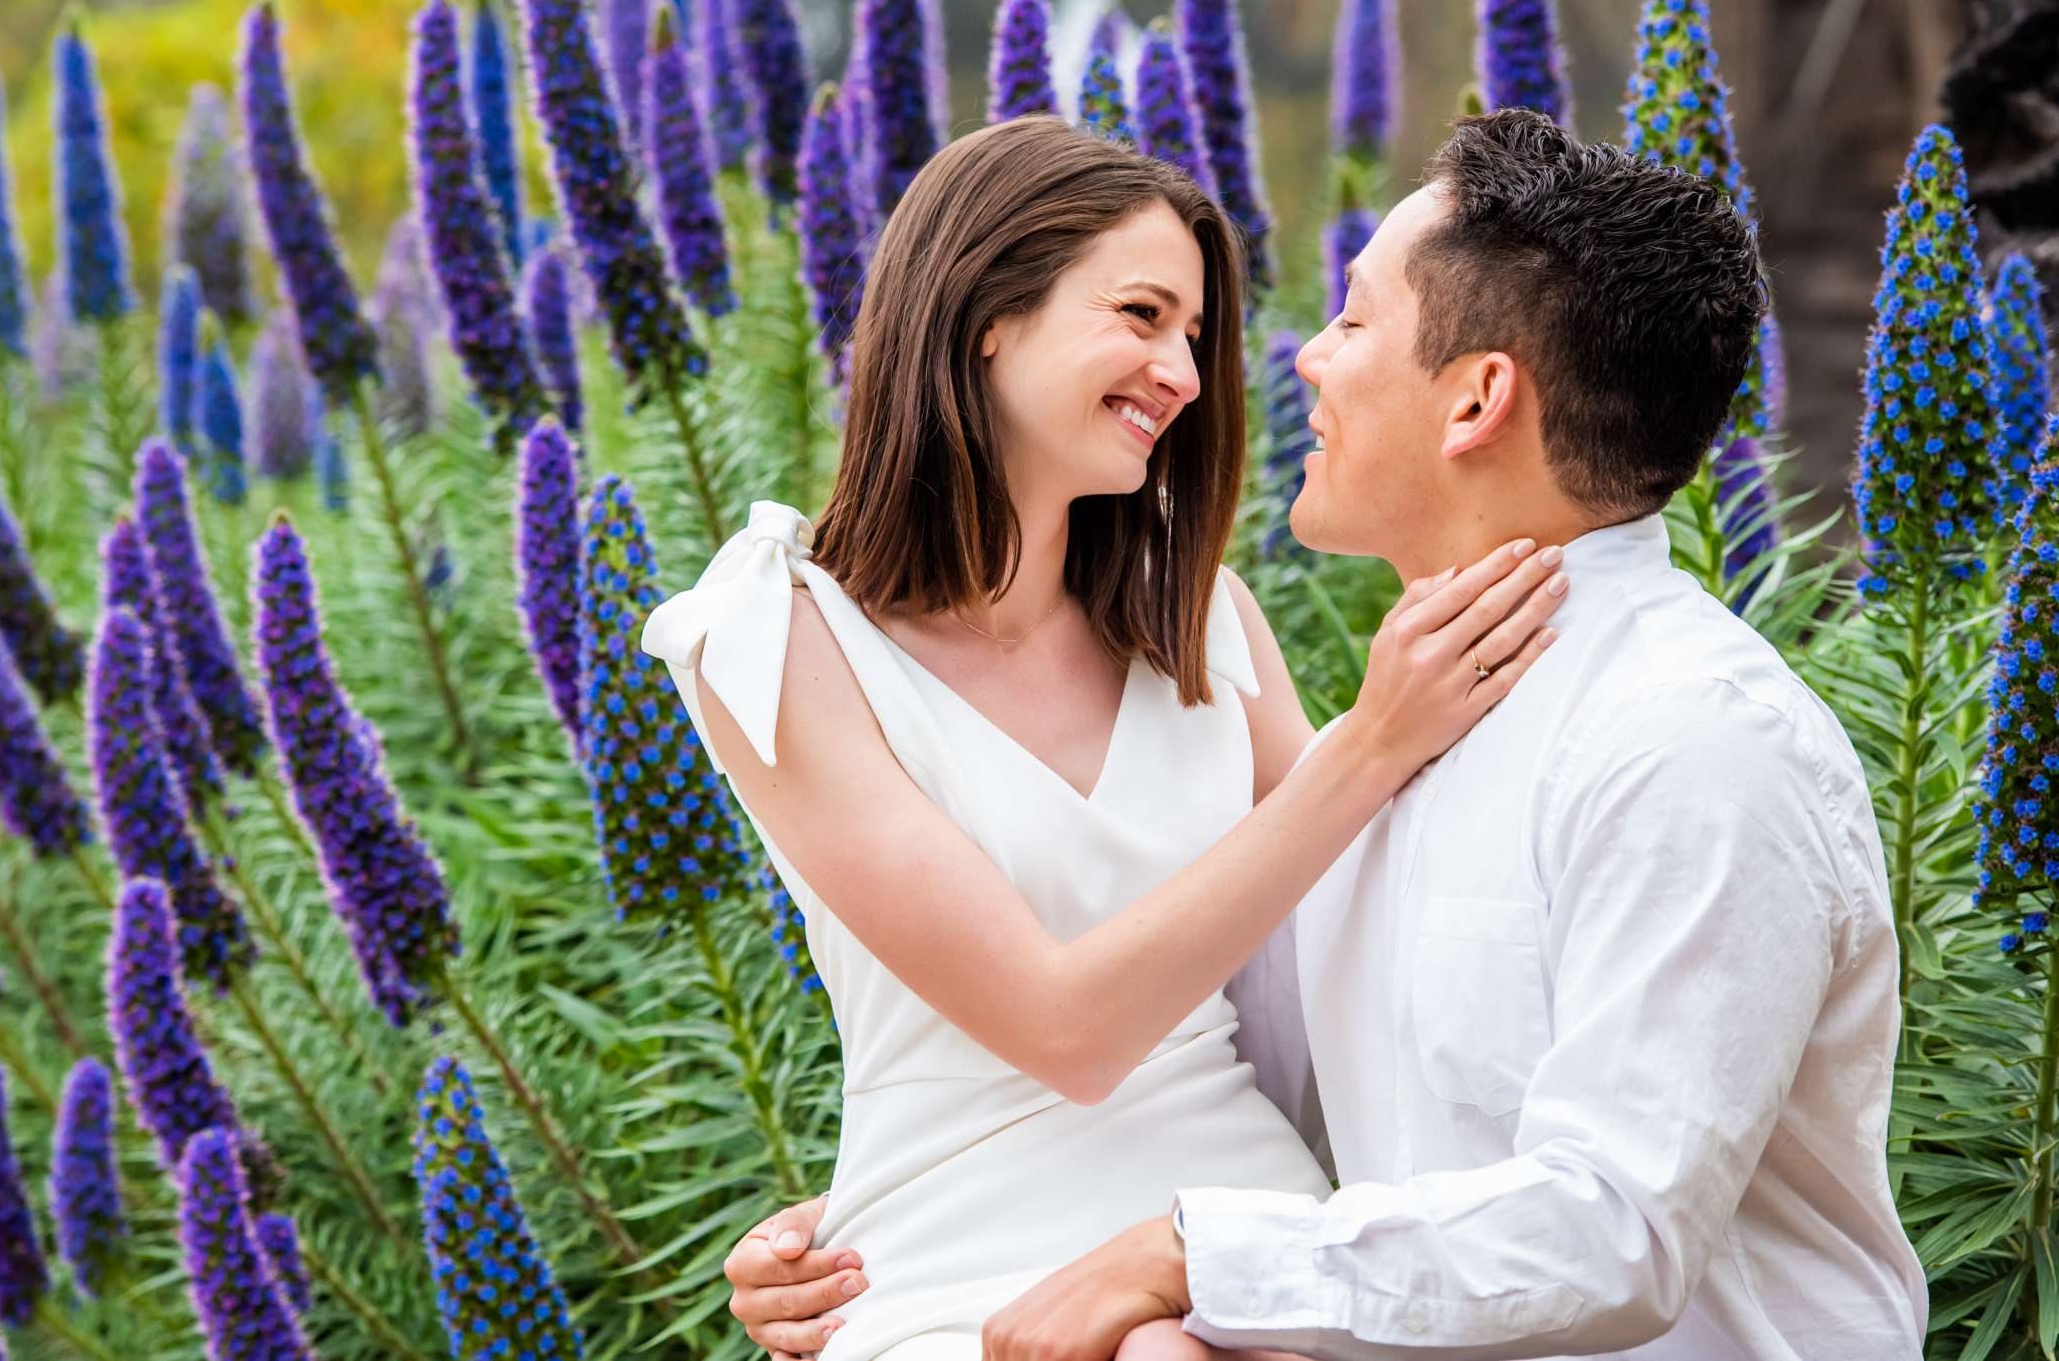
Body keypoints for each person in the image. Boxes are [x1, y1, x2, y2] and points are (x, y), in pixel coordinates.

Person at [719, 109, 1929, 1360]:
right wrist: (894, 1220)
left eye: (1351, 320)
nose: (1280, 362)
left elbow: (1616, 1227)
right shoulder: (1408, 725)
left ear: (1475, 401)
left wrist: (1181, 1256)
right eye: (1145, 318)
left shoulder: (1686, 746)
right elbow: (1229, 1059)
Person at [642, 114, 1567, 1361]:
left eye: (1193, 335)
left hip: (1229, 1221)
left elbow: (1375, 942)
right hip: (944, 1257)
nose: (1185, 374)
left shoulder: (1203, 620)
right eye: (1140, 317)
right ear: (985, 315)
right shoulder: (776, 636)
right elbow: (1062, 1030)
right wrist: (1370, 742)